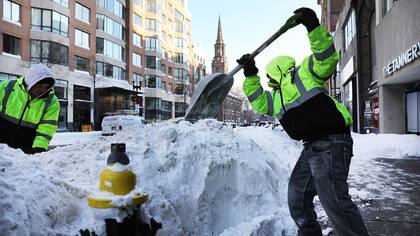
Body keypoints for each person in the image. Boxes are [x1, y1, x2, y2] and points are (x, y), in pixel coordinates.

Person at [237, 7, 369, 236]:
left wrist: (313, 27)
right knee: (297, 196)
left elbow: (327, 59)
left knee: (336, 203)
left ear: (276, 72)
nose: (267, 81)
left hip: (331, 143)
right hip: (312, 148)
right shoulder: (277, 97)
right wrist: (250, 74)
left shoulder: (304, 73)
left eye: (268, 77)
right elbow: (259, 103)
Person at [0, 64, 60, 154]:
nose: (42, 89)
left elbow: (47, 127)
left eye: (46, 87)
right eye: (39, 84)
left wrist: (39, 148)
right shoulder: (6, 87)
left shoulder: (51, 101)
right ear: (30, 80)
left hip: (26, 151)